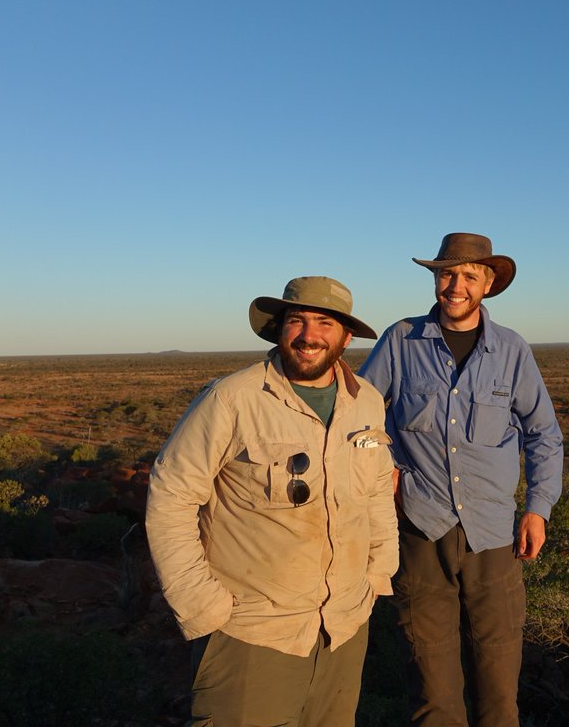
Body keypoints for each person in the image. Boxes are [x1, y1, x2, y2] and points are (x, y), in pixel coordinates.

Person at [146, 276, 399, 727]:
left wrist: (379, 573)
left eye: (325, 322)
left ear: (345, 337)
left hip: (343, 627)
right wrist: (203, 605)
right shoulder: (232, 399)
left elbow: (379, 491)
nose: (309, 334)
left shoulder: (368, 403)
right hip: (251, 632)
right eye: (297, 320)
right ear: (279, 329)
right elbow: (171, 496)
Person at [359, 233, 564, 726]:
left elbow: (543, 434)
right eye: (447, 273)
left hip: (494, 536)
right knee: (433, 687)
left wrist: (538, 508)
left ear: (487, 284)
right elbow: (359, 417)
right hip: (419, 530)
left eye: (469, 276)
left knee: (498, 684)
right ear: (434, 278)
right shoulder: (400, 339)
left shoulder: (511, 350)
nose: (456, 285)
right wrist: (381, 468)